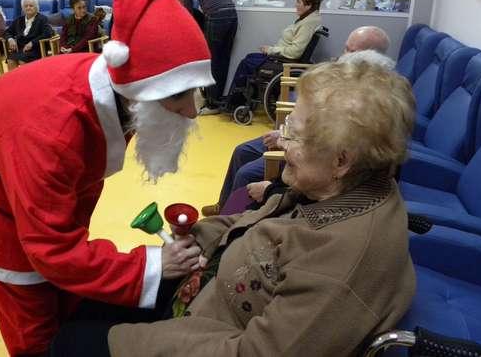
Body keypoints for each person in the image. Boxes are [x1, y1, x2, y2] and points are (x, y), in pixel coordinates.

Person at [51, 60, 417, 357]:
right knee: (85, 307)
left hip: (206, 326)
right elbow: (252, 220)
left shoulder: (342, 266)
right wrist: (197, 238)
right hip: (207, 287)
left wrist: (137, 342)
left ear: (341, 160)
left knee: (71, 342)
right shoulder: (338, 189)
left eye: (294, 133)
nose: (280, 142)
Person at [0, 0, 215, 356]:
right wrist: (151, 266)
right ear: (140, 93)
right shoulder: (53, 131)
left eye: (193, 93)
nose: (192, 111)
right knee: (34, 324)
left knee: (68, 294)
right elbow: (51, 248)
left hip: (31, 175)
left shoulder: (120, 89)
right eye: (178, 95)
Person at [202, 26, 393, 216]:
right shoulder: (345, 79)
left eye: (352, 51)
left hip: (303, 148)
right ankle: (224, 206)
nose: (343, 56)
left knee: (247, 174)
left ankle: (231, 221)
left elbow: (319, 157)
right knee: (242, 151)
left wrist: (271, 189)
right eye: (346, 48)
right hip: (295, 136)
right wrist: (286, 133)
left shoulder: (365, 107)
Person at [226, 0, 322, 97]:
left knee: (246, 63)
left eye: (298, 1)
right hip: (281, 58)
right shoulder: (309, 19)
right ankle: (238, 98)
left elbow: (295, 52)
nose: (295, 4)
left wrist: (271, 50)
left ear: (308, 5)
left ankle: (235, 100)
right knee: (249, 57)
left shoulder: (307, 24)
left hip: (283, 62)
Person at [180, 0, 237, 115]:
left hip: (216, 16)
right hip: (232, 15)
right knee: (223, 59)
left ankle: (212, 105)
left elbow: (188, 8)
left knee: (211, 60)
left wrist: (186, 32)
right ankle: (217, 99)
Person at [4, 0, 53, 71]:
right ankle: (15, 82)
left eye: (31, 5)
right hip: (20, 49)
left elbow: (47, 33)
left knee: (22, 61)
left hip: (36, 49)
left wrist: (32, 43)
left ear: (36, 7)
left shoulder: (42, 19)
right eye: (26, 6)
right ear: (23, 8)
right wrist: (10, 39)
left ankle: (28, 81)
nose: (28, 8)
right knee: (10, 60)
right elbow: (7, 32)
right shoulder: (18, 20)